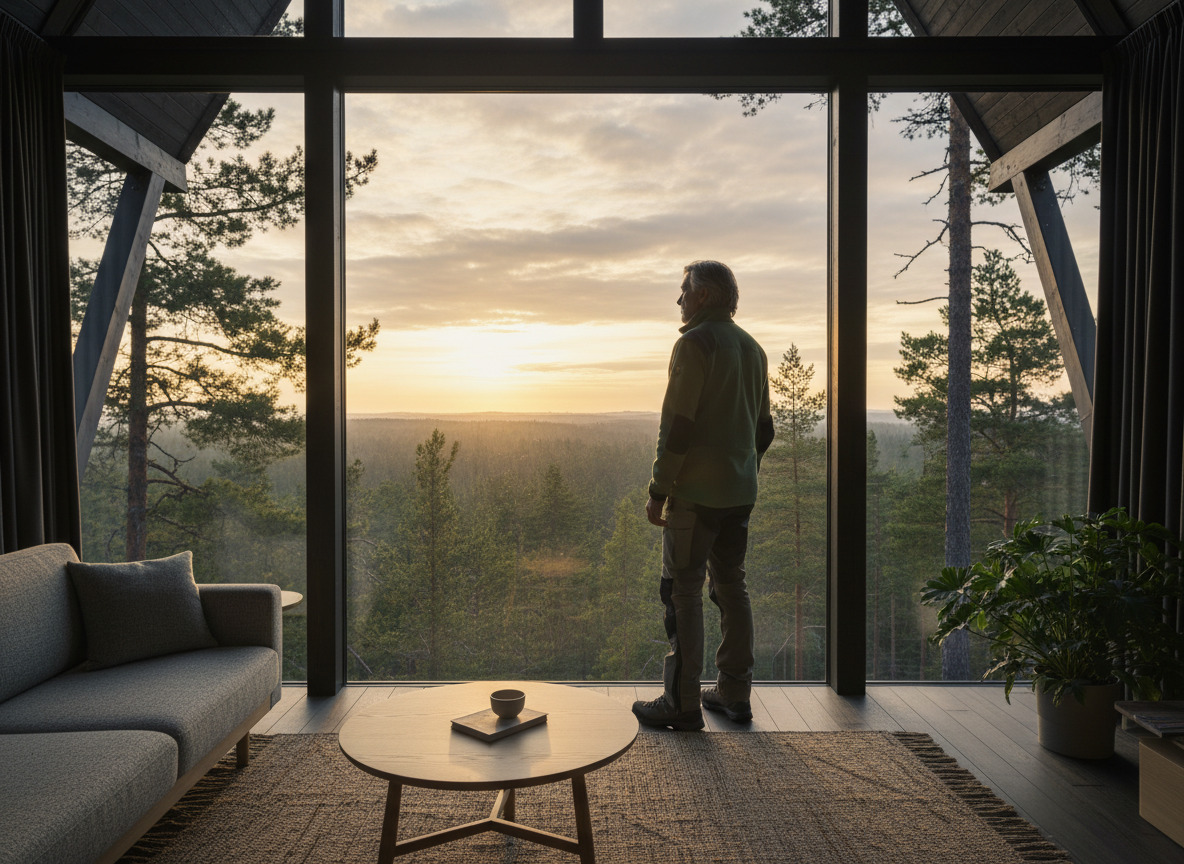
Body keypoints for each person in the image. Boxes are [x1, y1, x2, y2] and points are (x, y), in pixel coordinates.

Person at [632, 260, 775, 731]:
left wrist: (658, 489)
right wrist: (744, 473)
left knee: (683, 591)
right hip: (740, 494)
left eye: (684, 291)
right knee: (732, 586)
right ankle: (735, 693)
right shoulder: (753, 349)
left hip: (695, 495)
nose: (679, 300)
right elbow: (764, 430)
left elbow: (678, 426)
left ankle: (682, 702)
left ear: (706, 295)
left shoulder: (694, 344)